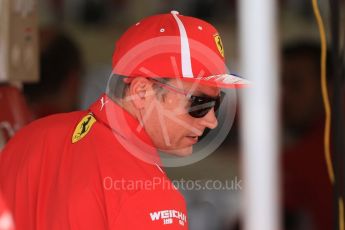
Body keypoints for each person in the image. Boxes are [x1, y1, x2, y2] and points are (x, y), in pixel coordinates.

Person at [0, 11, 248, 229]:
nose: (212, 121)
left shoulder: (31, 137)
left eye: (217, 103)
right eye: (199, 103)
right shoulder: (150, 194)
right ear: (141, 92)